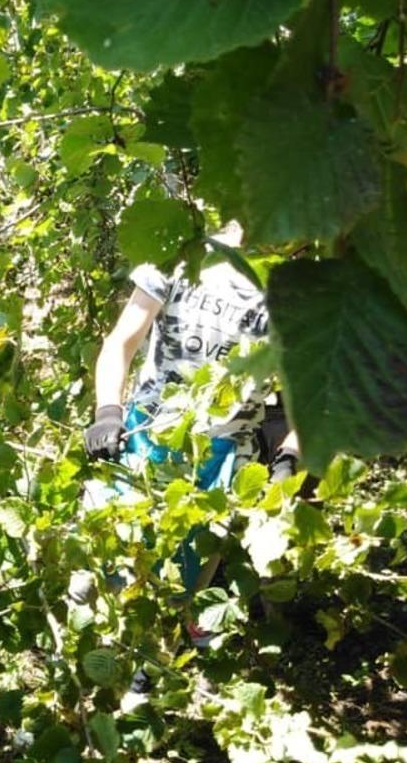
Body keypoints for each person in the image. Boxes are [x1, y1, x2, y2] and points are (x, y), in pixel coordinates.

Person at [80, 225, 302, 605]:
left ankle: (153, 658)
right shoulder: (179, 251)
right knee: (93, 575)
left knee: (178, 592)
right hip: (143, 436)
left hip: (222, 462)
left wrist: (290, 457)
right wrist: (107, 411)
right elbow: (122, 340)